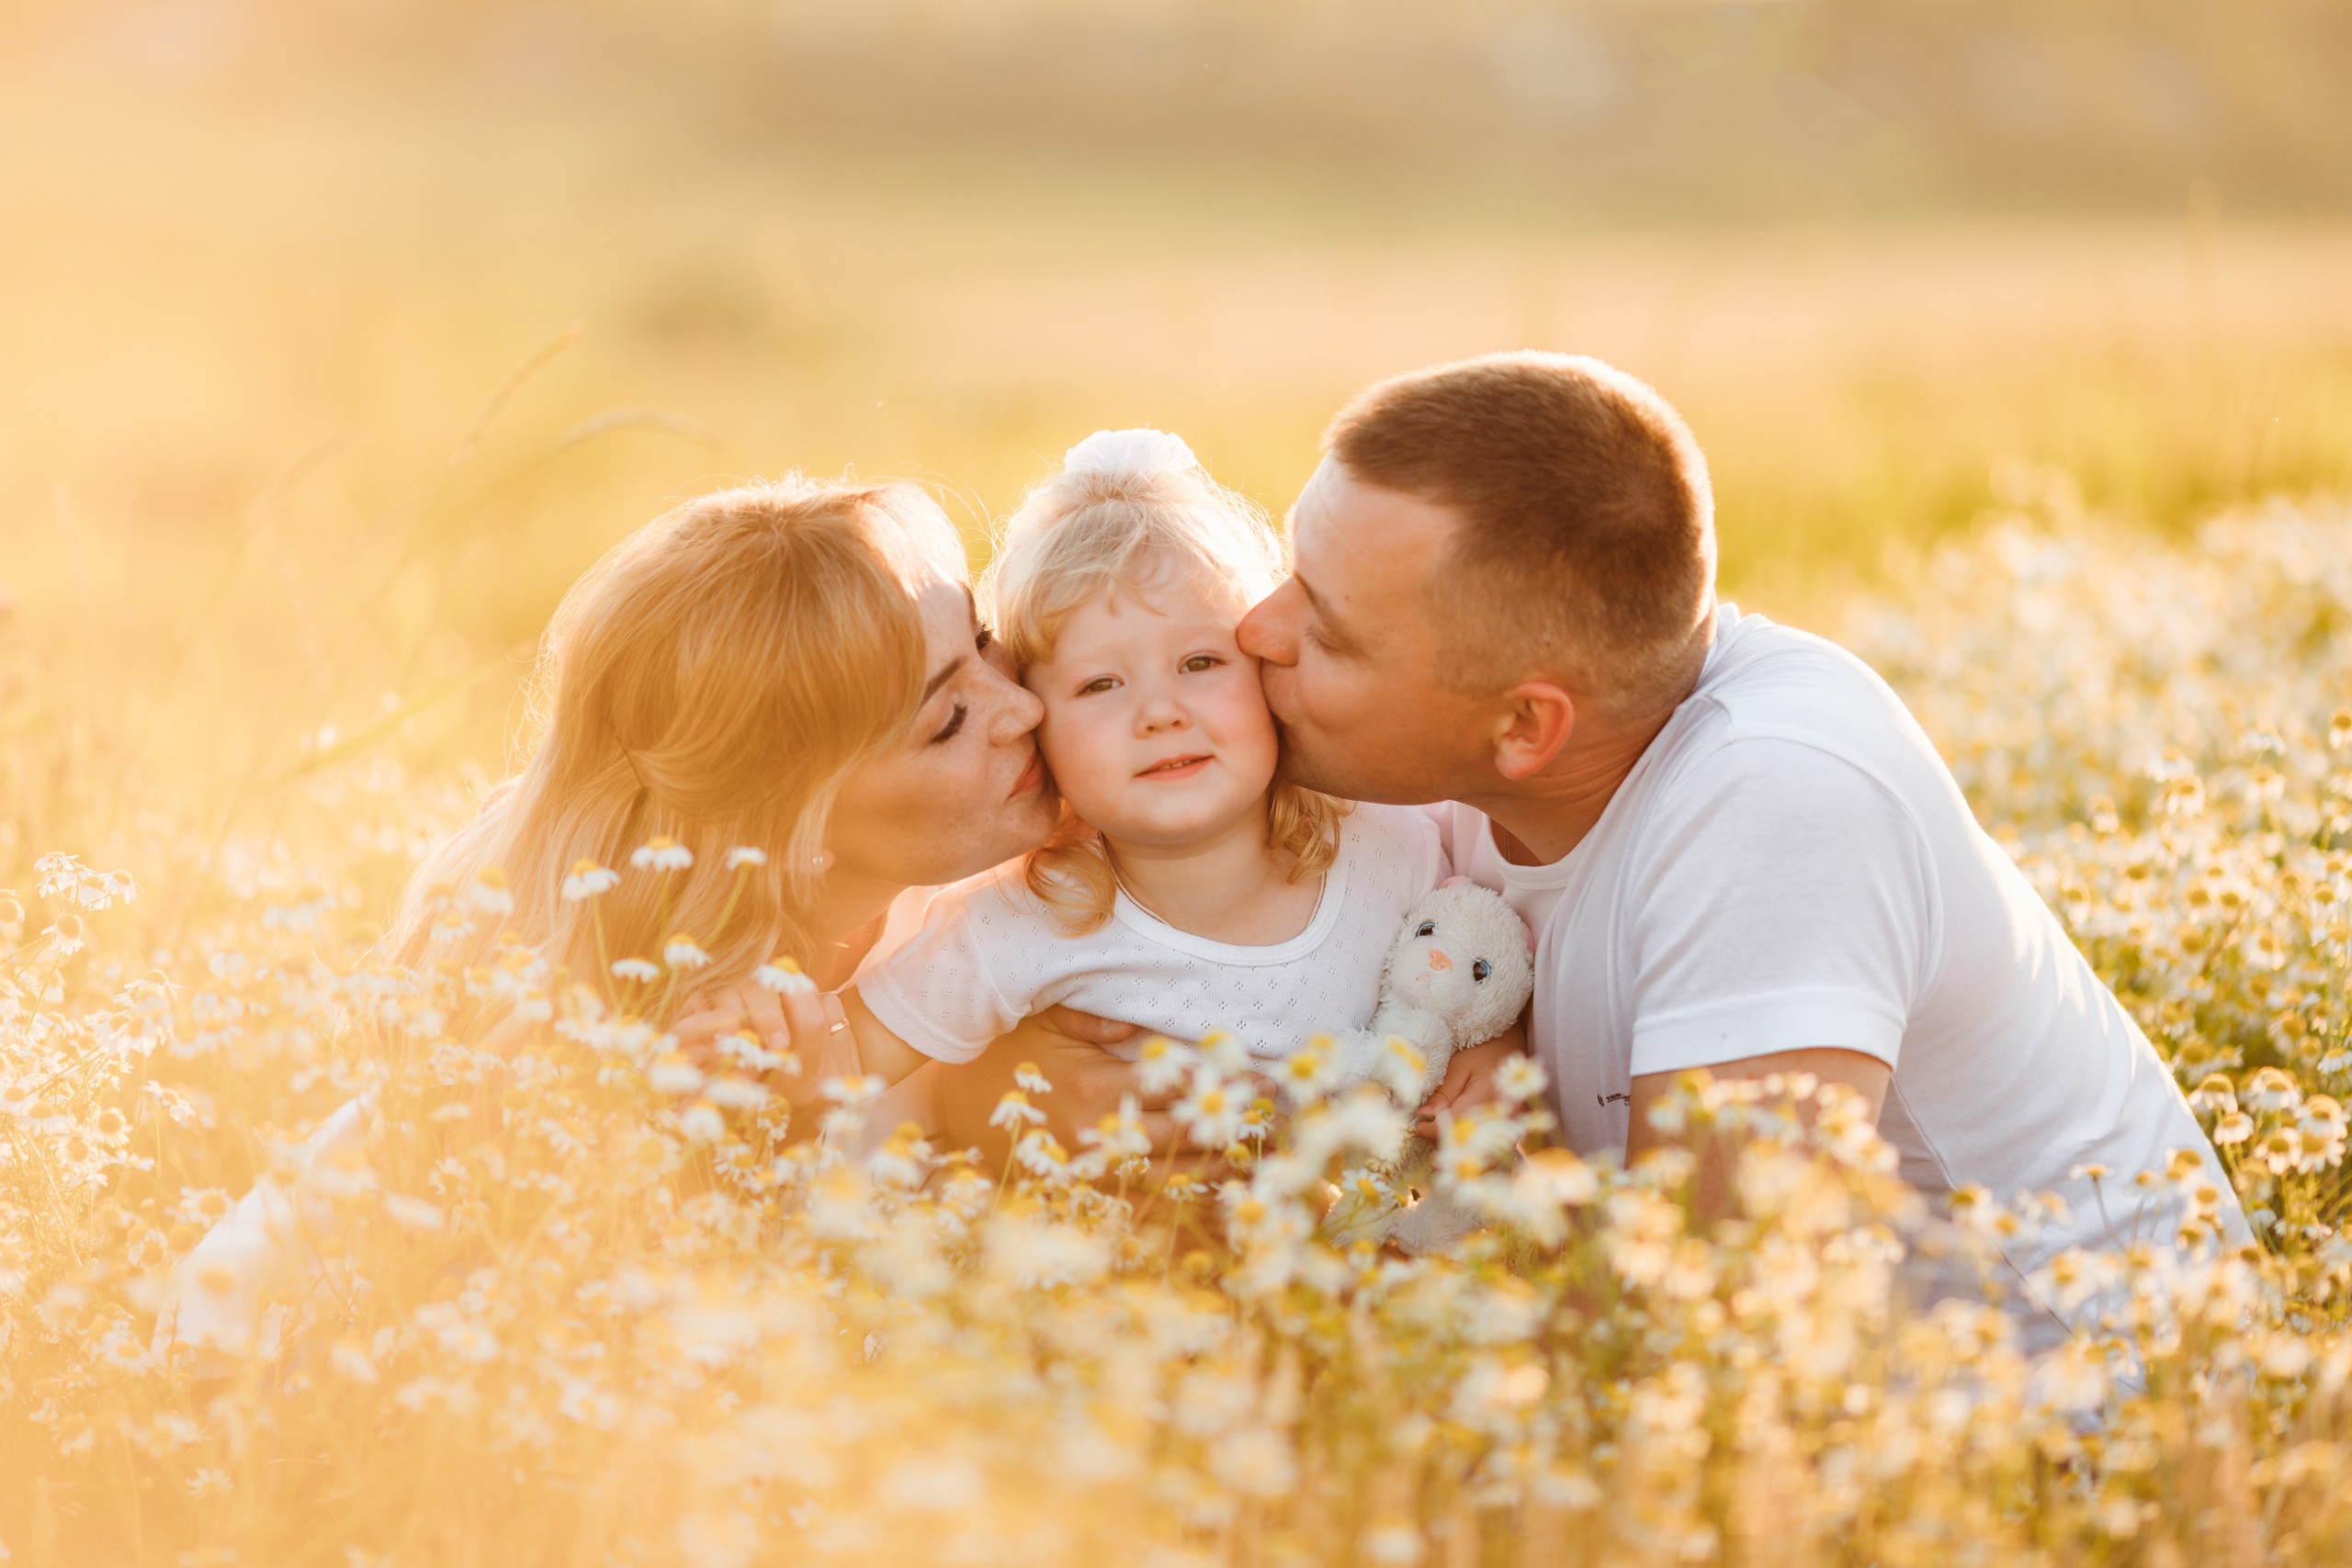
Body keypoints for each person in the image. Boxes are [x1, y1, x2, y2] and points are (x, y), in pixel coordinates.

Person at [955, 352, 2249, 1343]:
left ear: (1526, 722)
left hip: (2076, 1456)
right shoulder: (1432, 785)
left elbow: (1723, 1317)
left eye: (1329, 630)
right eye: (1288, 571)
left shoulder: (1777, 799)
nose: (1259, 630)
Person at [171, 473, 1059, 1359]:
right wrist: (786, 1138)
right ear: (791, 825)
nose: (1023, 707)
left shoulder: (1026, 901)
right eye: (948, 718)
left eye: (984, 642)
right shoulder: (611, 1045)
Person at [839, 429, 1458, 1128]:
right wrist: (755, 1032)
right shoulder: (1018, 919)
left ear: (1266, 667)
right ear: (1039, 724)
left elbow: (1476, 975)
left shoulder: (1390, 846)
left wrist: (1492, 1046)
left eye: (1200, 663)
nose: (1161, 713)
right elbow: (845, 1054)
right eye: (1101, 683)